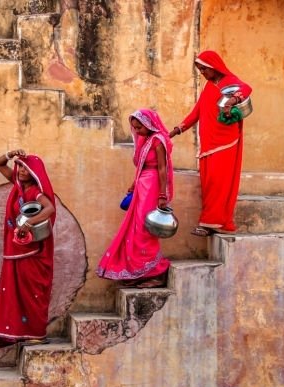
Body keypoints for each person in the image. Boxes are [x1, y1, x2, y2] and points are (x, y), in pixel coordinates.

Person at [171, 50, 252, 236]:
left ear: (214, 67)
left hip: (225, 142)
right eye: (200, 70)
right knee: (208, 184)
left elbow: (246, 88)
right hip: (208, 144)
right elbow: (196, 113)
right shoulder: (208, 87)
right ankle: (216, 223)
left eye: (204, 69)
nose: (203, 73)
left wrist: (231, 100)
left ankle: (209, 223)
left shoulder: (229, 81)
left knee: (218, 183)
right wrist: (176, 131)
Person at [97, 109, 173, 288]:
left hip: (153, 186)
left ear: (149, 125)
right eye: (135, 128)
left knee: (144, 230)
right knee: (136, 228)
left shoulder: (157, 140)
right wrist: (134, 183)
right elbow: (142, 166)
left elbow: (162, 168)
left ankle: (156, 272)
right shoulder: (145, 140)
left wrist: (163, 194)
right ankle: (141, 272)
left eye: (140, 127)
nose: (137, 131)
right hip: (142, 185)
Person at [0, 149, 56, 345]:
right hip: (15, 249)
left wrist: (28, 223)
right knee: (12, 293)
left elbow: (50, 208)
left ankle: (36, 333)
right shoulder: (18, 186)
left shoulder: (35, 192)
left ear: (35, 173)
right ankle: (12, 333)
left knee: (31, 292)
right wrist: (10, 154)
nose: (20, 172)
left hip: (32, 250)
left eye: (26, 169)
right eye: (20, 168)